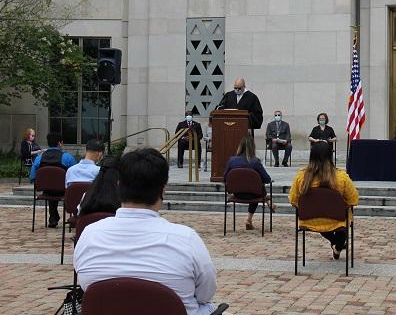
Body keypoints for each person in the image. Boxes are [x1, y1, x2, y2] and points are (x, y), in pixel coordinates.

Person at [74, 148, 218, 315]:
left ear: (119, 186)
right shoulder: (186, 239)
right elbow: (206, 293)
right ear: (163, 190)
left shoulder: (89, 234)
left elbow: (86, 286)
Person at [288, 142, 359, 259]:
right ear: (330, 156)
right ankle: (338, 246)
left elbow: (293, 200)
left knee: (320, 216)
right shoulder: (341, 177)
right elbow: (353, 200)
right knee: (345, 215)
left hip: (310, 220)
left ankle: (335, 244)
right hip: (338, 220)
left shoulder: (301, 177)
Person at [224, 135, 275, 230]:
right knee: (257, 189)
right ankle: (250, 217)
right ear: (253, 147)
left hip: (237, 194)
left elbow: (225, 178)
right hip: (254, 195)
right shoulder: (255, 162)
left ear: (240, 146)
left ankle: (267, 200)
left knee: (254, 188)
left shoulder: (232, 161)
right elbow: (267, 179)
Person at [30, 132, 77, 228]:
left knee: (51, 186)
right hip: (64, 190)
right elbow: (76, 174)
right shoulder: (67, 157)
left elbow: (32, 177)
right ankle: (74, 217)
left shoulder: (39, 158)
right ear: (60, 143)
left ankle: (53, 218)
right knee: (71, 187)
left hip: (46, 191)